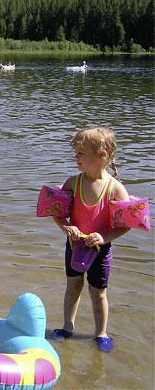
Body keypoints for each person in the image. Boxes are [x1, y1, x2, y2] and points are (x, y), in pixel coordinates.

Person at [51, 127, 130, 353]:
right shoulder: (72, 183)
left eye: (81, 154)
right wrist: (67, 227)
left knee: (98, 292)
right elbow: (57, 212)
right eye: (76, 153)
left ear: (102, 156)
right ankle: (67, 327)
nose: (76, 158)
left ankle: (101, 333)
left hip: (100, 250)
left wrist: (104, 237)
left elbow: (125, 224)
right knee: (73, 286)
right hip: (74, 246)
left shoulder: (115, 188)